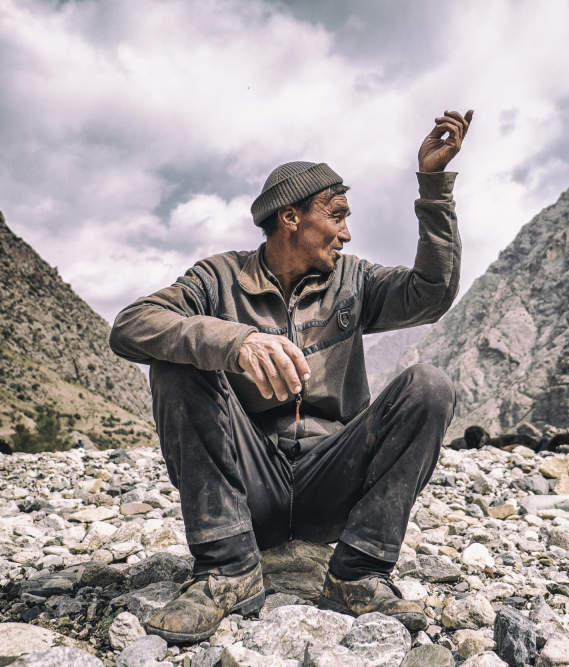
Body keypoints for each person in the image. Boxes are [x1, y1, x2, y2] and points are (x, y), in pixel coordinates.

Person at [109, 109, 473, 643]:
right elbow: (131, 325)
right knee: (175, 360)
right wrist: (236, 343)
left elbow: (432, 295)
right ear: (291, 218)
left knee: (430, 386)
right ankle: (228, 569)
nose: (347, 232)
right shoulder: (219, 278)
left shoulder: (355, 281)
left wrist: (434, 187)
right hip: (247, 485)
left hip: (333, 480)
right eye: (337, 215)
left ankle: (359, 574)